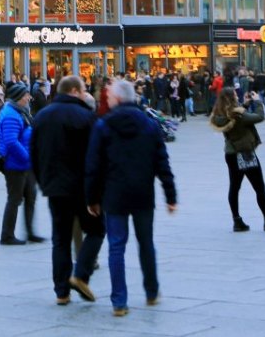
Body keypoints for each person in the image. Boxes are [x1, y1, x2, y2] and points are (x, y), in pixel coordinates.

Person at [85, 80, 177, 317]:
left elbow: (94, 165)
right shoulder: (149, 124)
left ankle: (119, 302)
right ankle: (152, 291)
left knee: (116, 246)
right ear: (133, 97)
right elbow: (161, 160)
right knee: (146, 242)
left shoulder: (103, 126)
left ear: (115, 99)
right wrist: (170, 193)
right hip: (142, 193)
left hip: (114, 195)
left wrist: (92, 197)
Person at [31, 75, 104, 305]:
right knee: (96, 230)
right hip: (81, 187)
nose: (85, 94)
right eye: (83, 90)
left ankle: (61, 292)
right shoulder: (86, 117)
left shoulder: (42, 116)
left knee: (60, 239)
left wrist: (44, 182)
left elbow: (34, 153)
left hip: (55, 187)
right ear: (74, 90)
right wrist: (96, 191)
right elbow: (95, 157)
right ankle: (81, 274)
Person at [209, 88, 265, 233]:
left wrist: (244, 105)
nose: (238, 96)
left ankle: (237, 220)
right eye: (236, 95)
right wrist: (258, 102)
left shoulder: (221, 114)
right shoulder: (238, 115)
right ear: (232, 98)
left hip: (231, 153)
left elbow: (236, 115)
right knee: (259, 187)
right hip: (245, 153)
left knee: (234, 187)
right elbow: (258, 117)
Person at [0, 82, 42, 245]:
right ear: (18, 97)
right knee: (15, 199)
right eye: (26, 95)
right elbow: (11, 141)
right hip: (15, 164)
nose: (29, 97)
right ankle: (7, 235)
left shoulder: (19, 111)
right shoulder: (11, 114)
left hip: (24, 164)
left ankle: (30, 232)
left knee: (30, 197)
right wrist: (27, 157)